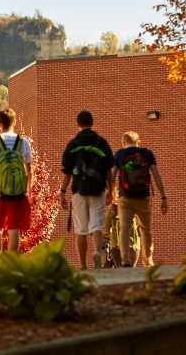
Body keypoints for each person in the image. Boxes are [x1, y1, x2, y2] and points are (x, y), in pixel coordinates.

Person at [60, 110, 114, 270]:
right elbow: (109, 170)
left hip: (79, 191)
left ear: (78, 123)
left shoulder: (73, 144)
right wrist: (111, 190)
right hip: (98, 189)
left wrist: (62, 192)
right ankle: (98, 253)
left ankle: (83, 265)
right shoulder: (101, 142)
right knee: (96, 226)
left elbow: (68, 173)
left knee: (81, 230)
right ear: (92, 123)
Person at [113, 131, 169, 267]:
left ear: (123, 142)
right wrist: (163, 197)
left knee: (125, 228)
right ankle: (148, 260)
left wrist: (111, 193)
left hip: (125, 197)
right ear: (138, 141)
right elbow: (156, 176)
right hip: (143, 197)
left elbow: (111, 175)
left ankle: (125, 260)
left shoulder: (120, 154)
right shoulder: (147, 154)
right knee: (146, 229)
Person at [0, 108, 33, 253]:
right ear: (14, 122)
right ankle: (11, 262)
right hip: (18, 193)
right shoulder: (23, 142)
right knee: (14, 229)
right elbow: (29, 170)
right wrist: (28, 192)